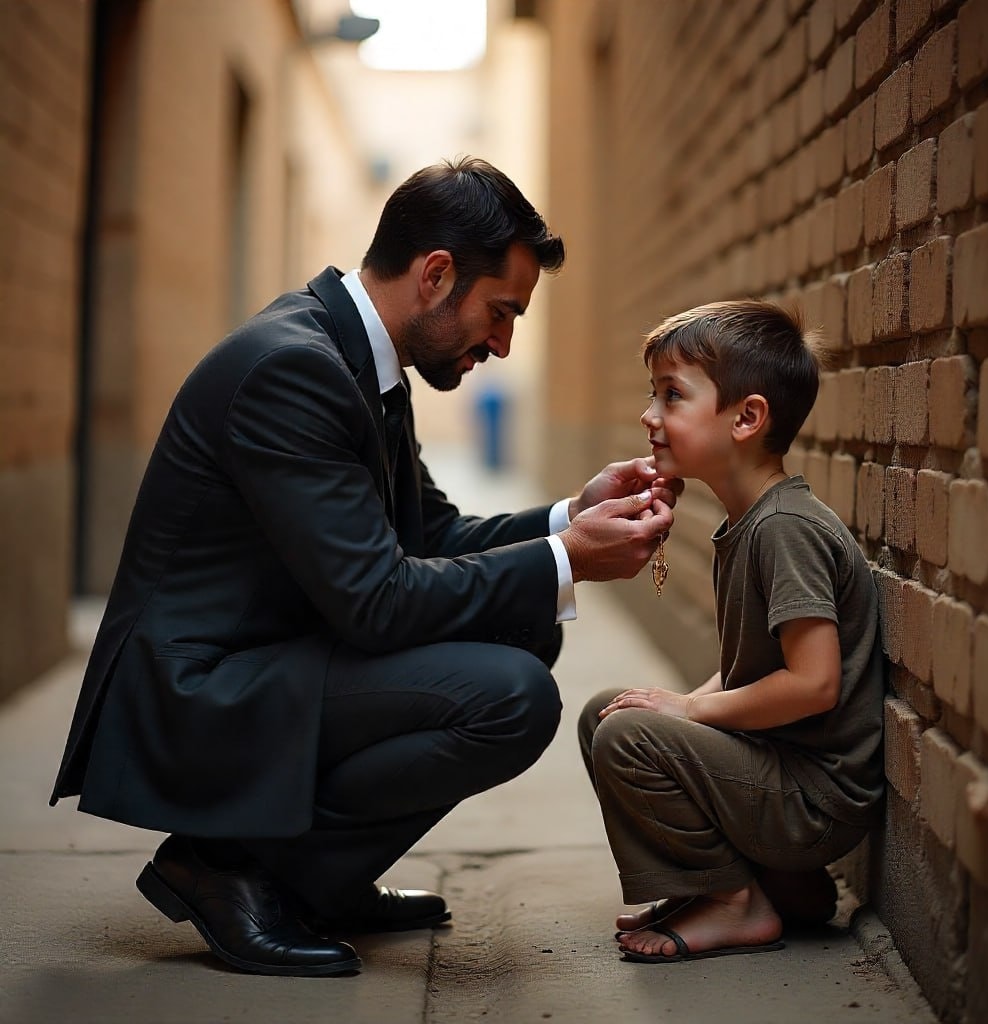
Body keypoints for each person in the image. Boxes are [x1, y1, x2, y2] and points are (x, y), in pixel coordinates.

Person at [51, 157, 677, 977]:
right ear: (436, 274)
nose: (504, 341)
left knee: (526, 624)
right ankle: (230, 868)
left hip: (271, 654)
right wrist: (569, 560)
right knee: (511, 697)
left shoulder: (361, 361)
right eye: (500, 312)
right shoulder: (294, 368)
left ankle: (324, 878)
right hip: (196, 691)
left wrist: (570, 518)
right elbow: (377, 602)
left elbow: (433, 537)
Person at [578, 300, 884, 964]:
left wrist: (690, 710)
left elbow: (814, 682)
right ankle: (777, 887)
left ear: (746, 418)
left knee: (628, 734)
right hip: (780, 779)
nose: (648, 415)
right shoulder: (751, 522)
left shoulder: (786, 529)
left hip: (816, 800)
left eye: (671, 395)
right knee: (611, 711)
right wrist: (679, 707)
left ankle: (732, 902)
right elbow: (749, 669)